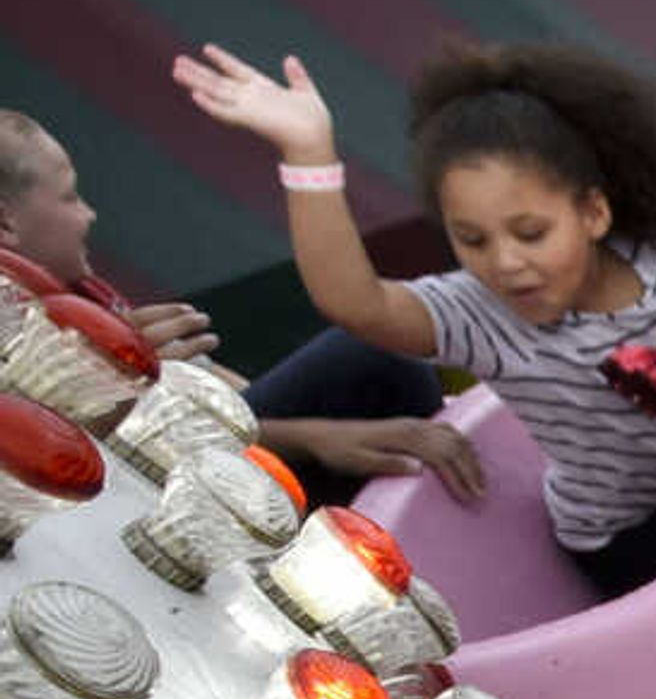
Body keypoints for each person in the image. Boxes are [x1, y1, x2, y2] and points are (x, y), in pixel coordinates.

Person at [174, 39, 656, 598]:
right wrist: (310, 156)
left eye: (530, 233)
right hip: (633, 535)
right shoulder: (484, 316)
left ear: (593, 211)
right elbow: (356, 302)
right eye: (472, 239)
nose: (506, 262)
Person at [0, 105, 478, 506]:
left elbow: (227, 399)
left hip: (220, 472)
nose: (90, 214)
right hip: (157, 504)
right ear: (6, 224)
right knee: (373, 362)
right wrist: (319, 439)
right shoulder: (32, 338)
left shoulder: (88, 302)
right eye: (70, 197)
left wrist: (321, 435)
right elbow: (103, 454)